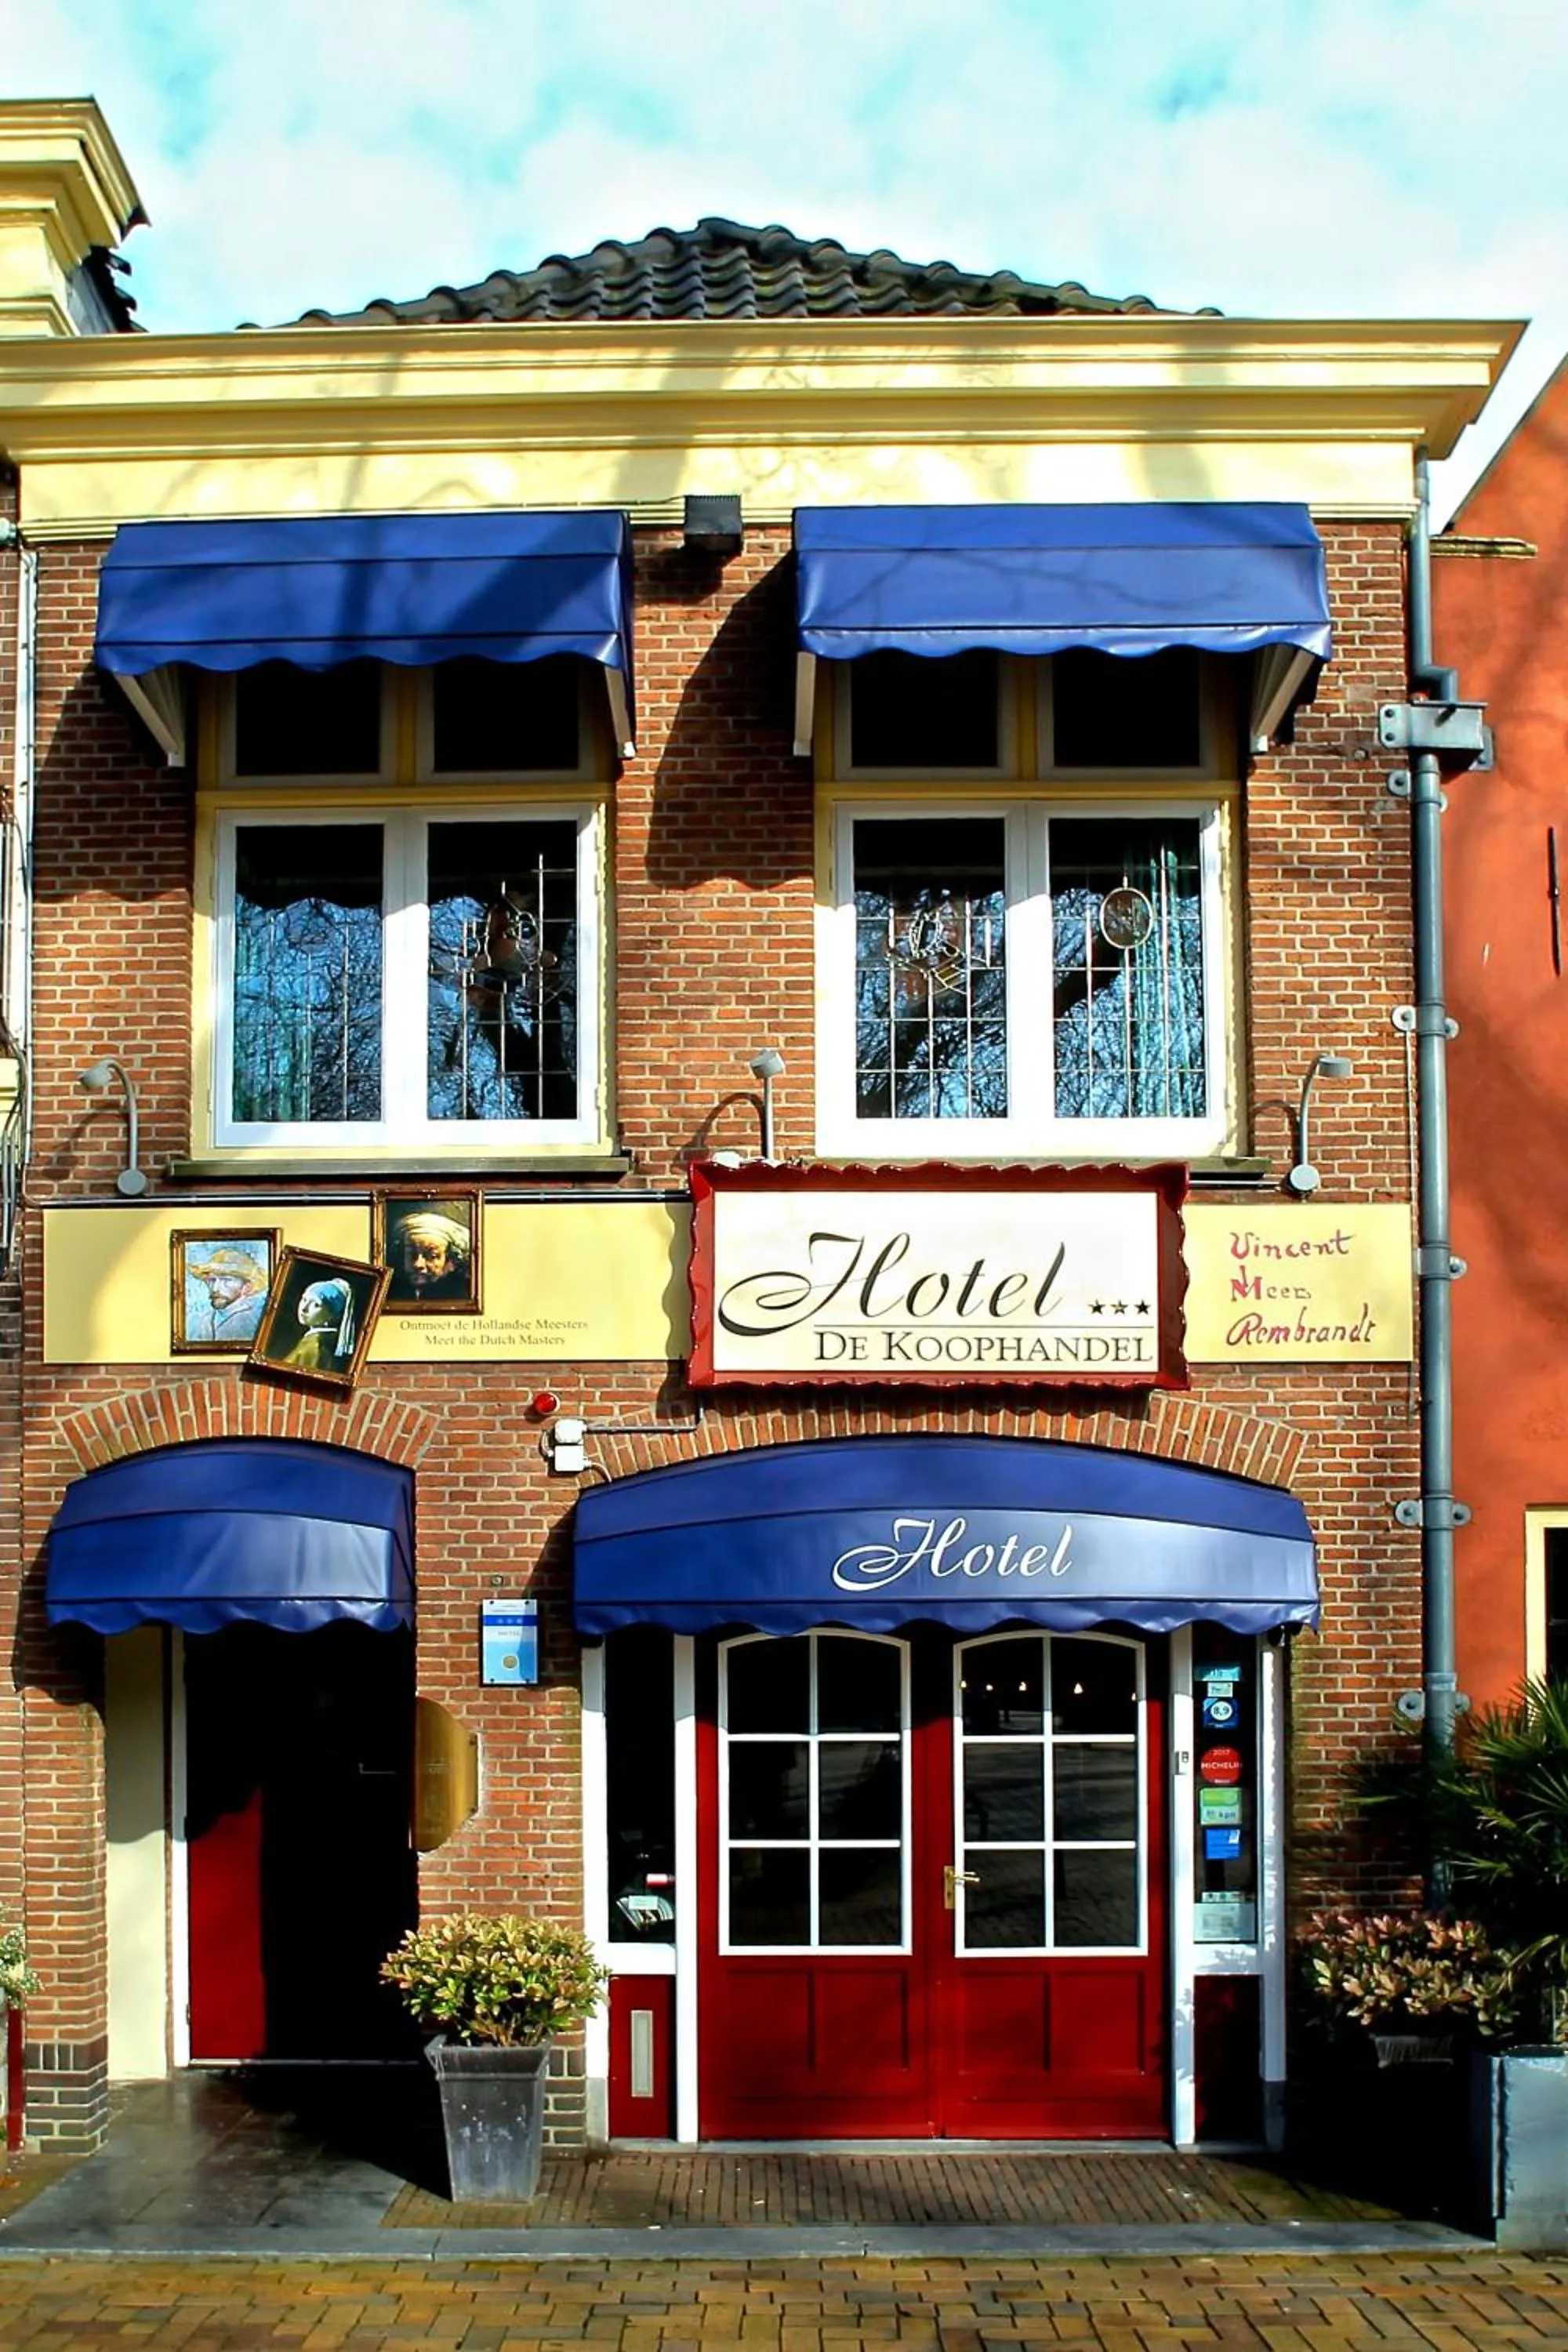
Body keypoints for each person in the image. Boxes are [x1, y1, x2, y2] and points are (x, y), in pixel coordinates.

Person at [187, 1245, 269, 1346]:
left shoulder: (257, 1321)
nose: (215, 1288)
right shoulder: (203, 1321)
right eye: (212, 1280)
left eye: (226, 1280)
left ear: (247, 1287)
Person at [387, 1209, 472, 1305]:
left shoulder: (462, 1297)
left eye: (432, 1256)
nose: (418, 1264)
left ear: (451, 1261)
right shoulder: (391, 1293)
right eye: (412, 1254)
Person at [280, 1276, 357, 1374]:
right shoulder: (318, 1340)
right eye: (304, 1300)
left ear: (332, 1315)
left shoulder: (315, 1346)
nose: (304, 1308)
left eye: (316, 1305)